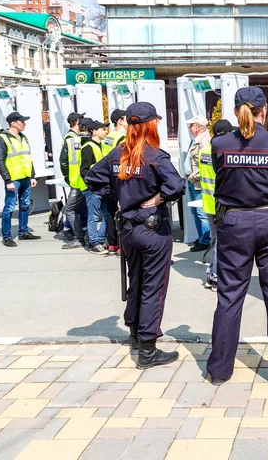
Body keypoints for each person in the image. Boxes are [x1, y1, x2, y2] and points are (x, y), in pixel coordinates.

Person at [207, 86, 268, 389]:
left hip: (233, 221)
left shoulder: (219, 143)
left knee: (229, 295)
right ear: (265, 112)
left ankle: (220, 369)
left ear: (236, 112)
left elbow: (223, 176)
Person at [85, 102, 185, 369]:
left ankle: (135, 336)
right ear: (151, 124)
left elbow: (92, 179)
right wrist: (157, 198)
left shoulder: (118, 153)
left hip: (127, 228)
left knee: (136, 283)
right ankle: (148, 351)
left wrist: (118, 197)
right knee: (153, 289)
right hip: (153, 229)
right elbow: (176, 185)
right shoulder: (155, 155)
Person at [0, 112, 41, 247]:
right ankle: (7, 236)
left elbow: (28, 157)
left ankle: (23, 232)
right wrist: (7, 180)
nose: (24, 124)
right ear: (13, 123)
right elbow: (0, 161)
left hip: (25, 177)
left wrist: (32, 175)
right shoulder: (1, 139)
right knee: (9, 207)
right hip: (13, 179)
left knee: (25, 206)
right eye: (22, 121)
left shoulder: (23, 137)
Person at [198, 119, 234, 292]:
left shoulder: (204, 151)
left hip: (208, 202)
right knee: (222, 242)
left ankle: (211, 275)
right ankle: (215, 278)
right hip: (221, 204)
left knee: (216, 240)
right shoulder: (223, 152)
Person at [59, 112, 88, 249]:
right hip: (79, 181)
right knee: (72, 209)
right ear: (77, 122)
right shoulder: (74, 139)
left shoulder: (71, 138)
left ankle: (76, 234)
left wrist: (67, 177)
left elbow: (63, 162)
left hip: (76, 180)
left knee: (71, 209)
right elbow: (64, 161)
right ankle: (79, 236)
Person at [81, 120, 109, 255]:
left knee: (106, 214)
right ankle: (94, 243)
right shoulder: (88, 147)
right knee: (93, 215)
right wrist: (92, 185)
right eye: (103, 129)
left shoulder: (101, 145)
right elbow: (84, 170)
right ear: (94, 132)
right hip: (93, 188)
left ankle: (100, 239)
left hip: (101, 186)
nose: (106, 131)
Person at [184, 115, 211, 252]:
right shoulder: (195, 140)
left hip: (198, 182)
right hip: (192, 180)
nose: (189, 128)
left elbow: (205, 165)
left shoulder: (205, 142)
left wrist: (193, 176)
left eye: (191, 125)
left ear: (199, 127)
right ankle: (201, 237)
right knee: (195, 211)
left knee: (201, 212)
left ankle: (205, 240)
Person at [102, 109, 127, 254]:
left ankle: (112, 243)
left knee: (111, 211)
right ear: (120, 121)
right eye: (127, 119)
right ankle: (121, 243)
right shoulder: (121, 139)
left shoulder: (109, 137)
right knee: (121, 211)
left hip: (109, 177)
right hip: (119, 178)